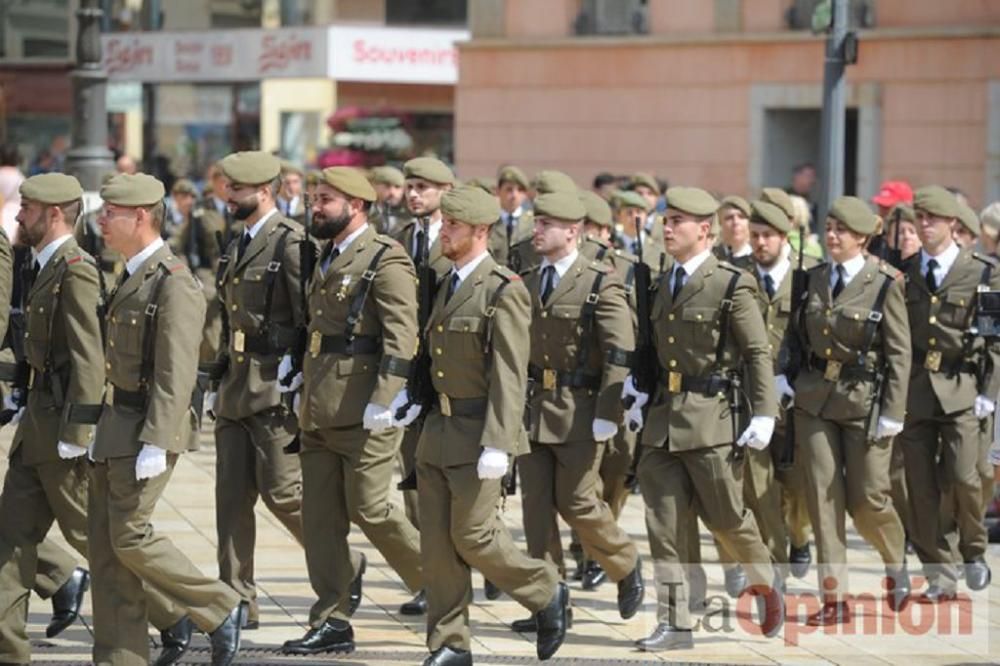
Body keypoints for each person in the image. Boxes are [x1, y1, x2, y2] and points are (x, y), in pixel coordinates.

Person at [89, 172, 243, 665]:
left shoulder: (174, 282)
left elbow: (177, 371)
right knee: (107, 549)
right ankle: (121, 653)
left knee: (131, 535)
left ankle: (219, 606)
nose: (100, 222)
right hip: (116, 423)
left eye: (110, 213)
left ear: (139, 217)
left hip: (148, 427)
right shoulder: (129, 272)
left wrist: (156, 441)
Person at [413, 185, 569, 666]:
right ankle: (450, 644)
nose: (444, 233)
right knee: (437, 550)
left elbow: (508, 372)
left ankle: (546, 591)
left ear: (480, 231)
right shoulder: (444, 280)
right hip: (437, 429)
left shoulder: (504, 289)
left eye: (454, 227)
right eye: (444, 225)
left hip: (479, 433)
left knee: (474, 537)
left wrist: (499, 443)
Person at [627, 186, 783, 651]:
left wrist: (764, 414)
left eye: (678, 220)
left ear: (705, 230)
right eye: (666, 219)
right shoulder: (658, 282)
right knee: (664, 526)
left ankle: (767, 581)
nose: (667, 227)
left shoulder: (731, 283)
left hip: (712, 420)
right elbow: (653, 351)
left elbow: (757, 351)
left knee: (727, 520)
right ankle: (675, 624)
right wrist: (636, 390)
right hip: (662, 421)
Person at [283, 167, 423, 654]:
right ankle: (332, 619)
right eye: (315, 198)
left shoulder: (386, 259)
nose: (314, 207)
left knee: (372, 508)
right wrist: (298, 371)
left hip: (365, 409)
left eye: (325, 200)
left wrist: (386, 398)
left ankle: (440, 585)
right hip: (320, 408)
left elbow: (402, 335)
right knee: (320, 522)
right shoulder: (326, 255)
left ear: (357, 206)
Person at [510, 190, 644, 631]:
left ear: (573, 231)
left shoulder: (600, 282)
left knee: (579, 503)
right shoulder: (528, 281)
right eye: (537, 222)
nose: (537, 231)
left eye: (547, 224)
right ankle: (549, 601)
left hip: (581, 410)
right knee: (535, 509)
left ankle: (625, 564)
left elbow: (620, 352)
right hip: (535, 410)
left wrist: (610, 410)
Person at [782, 195, 911, 625]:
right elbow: (795, 334)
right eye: (830, 228)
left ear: (862, 238)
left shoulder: (885, 282)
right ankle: (834, 600)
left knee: (868, 500)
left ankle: (895, 559)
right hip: (814, 400)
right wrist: (786, 375)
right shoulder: (812, 278)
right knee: (822, 498)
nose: (833, 236)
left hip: (864, 402)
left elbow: (899, 353)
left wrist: (893, 411)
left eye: (842, 231)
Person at [0, 174, 105, 663]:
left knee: (97, 533)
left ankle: (186, 611)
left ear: (55, 213)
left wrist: (81, 430)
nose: (18, 215)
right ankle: (9, 647)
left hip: (61, 423)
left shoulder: (76, 269)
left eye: (27, 207)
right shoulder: (45, 264)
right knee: (11, 539)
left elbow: (89, 358)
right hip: (36, 420)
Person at [207, 151, 311, 630]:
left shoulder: (289, 243)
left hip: (272, 388)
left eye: (238, 190)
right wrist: (213, 376)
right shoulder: (237, 242)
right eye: (228, 188)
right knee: (230, 499)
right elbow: (228, 319)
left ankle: (339, 564)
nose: (229, 196)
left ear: (264, 192)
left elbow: (308, 316)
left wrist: (299, 375)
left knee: (283, 494)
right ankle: (235, 600)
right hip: (235, 386)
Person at [897, 185, 997, 602]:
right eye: (919, 219)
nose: (924, 226)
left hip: (963, 388)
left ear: (953, 225)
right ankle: (939, 572)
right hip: (917, 392)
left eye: (931, 220)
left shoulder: (985, 273)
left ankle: (972, 550)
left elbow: (996, 340)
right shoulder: (905, 272)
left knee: (963, 477)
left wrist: (989, 392)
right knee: (919, 489)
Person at [488, 165, 533, 270]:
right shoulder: (490, 221)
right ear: (498, 191)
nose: (514, 195)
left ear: (526, 194)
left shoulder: (533, 222)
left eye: (520, 190)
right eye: (509, 189)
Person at [713, 195, 753, 269]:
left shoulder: (759, 260)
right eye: (729, 218)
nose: (735, 222)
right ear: (720, 224)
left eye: (741, 217)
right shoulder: (711, 258)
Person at [369, 165, 409, 235]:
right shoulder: (365, 213)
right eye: (387, 186)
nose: (392, 192)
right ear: (373, 185)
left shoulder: (409, 215)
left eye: (397, 187)